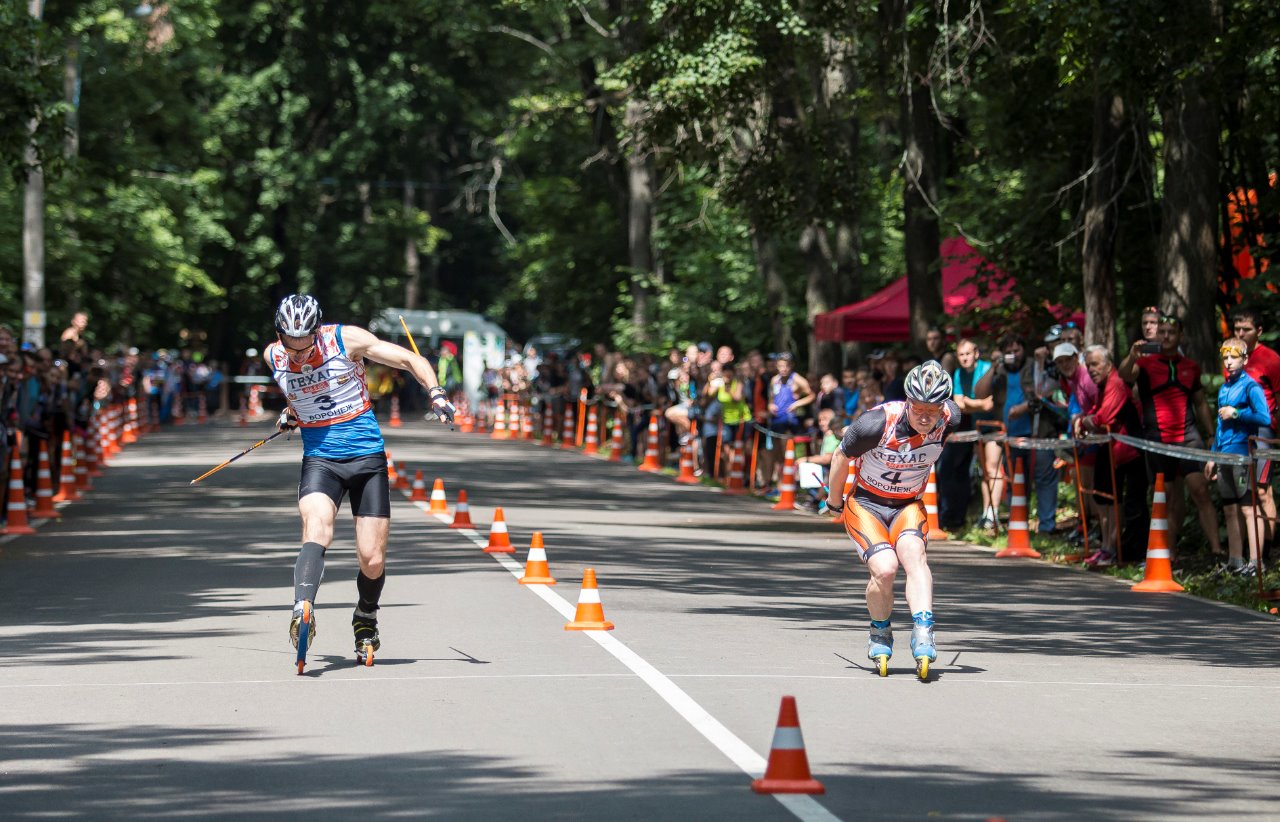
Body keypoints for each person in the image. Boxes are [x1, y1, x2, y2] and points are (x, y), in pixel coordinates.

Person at [267, 294, 455, 663]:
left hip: (367, 459)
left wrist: (435, 392)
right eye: (293, 346)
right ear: (280, 335)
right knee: (316, 528)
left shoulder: (345, 339)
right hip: (320, 460)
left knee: (371, 558)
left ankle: (365, 619)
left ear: (317, 331)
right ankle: (302, 608)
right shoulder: (273, 356)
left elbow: (409, 358)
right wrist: (290, 414)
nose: (300, 355)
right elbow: (303, 392)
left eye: (306, 345)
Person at [826, 361, 961, 678]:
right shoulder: (875, 423)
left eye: (933, 409)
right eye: (918, 409)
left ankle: (924, 630)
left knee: (915, 556)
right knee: (885, 569)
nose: (926, 417)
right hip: (867, 504)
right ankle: (880, 629)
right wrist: (834, 502)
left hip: (907, 505)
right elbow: (839, 457)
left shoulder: (951, 417)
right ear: (907, 403)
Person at [1118, 314, 1221, 558]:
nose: (1165, 336)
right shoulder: (1145, 363)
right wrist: (1133, 354)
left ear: (1180, 336)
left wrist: (1211, 435)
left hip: (1188, 435)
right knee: (1164, 495)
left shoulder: (1190, 366)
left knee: (1200, 490)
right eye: (1161, 332)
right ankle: (1168, 552)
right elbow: (1124, 375)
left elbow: (1200, 402)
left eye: (1171, 333)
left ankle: (1217, 550)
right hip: (1157, 438)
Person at [1076, 346, 1148, 566]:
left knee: (1129, 504)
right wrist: (1087, 419)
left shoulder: (1115, 383)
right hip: (1113, 451)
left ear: (1108, 365)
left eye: (1095, 364)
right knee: (1105, 498)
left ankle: (1123, 551)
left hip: (1131, 452)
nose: (1091, 369)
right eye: (1088, 365)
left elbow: (1103, 417)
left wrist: (1087, 421)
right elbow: (1095, 412)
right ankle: (1107, 547)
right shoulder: (1102, 385)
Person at [1205, 339, 1269, 576]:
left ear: (1245, 359)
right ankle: (1235, 560)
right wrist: (1213, 456)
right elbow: (1220, 426)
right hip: (1224, 457)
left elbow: (1265, 418)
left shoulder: (1251, 387)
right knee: (1230, 510)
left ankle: (1256, 562)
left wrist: (1238, 413)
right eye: (1225, 357)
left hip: (1243, 455)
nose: (1229, 362)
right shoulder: (1224, 388)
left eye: (1234, 357)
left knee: (1248, 509)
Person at [1231, 307, 1280, 558]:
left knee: (1262, 489)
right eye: (1237, 329)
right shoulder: (1232, 357)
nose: (1240, 333)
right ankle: (1251, 552)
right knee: (1243, 492)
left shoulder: (1270, 359)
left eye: (1246, 329)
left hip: (1263, 431)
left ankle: (1271, 549)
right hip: (1238, 432)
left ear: (1258, 331)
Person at [940, 338, 993, 531]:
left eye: (968, 354)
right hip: (973, 427)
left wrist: (970, 403)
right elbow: (959, 403)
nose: (964, 358)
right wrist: (979, 403)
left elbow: (991, 402)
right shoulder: (959, 374)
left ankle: (989, 514)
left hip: (992, 426)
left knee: (991, 470)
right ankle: (961, 517)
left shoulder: (987, 368)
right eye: (961, 355)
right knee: (973, 471)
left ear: (976, 353)